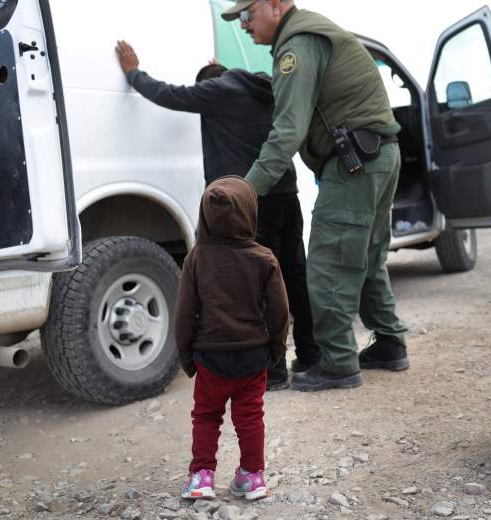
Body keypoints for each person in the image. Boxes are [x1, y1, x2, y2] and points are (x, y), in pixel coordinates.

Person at [221, 0, 409, 392]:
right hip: (378, 154)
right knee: (369, 256)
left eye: (246, 15)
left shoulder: (297, 44)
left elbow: (287, 130)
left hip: (354, 162)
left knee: (329, 264)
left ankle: (339, 364)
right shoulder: (312, 32)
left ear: (275, 5)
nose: (243, 25)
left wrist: (247, 190)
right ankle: (390, 344)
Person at [115, 40, 320, 390]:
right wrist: (220, 73)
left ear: (210, 83)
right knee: (294, 275)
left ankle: (273, 371)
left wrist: (133, 72)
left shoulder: (216, 92)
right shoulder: (260, 87)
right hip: (286, 192)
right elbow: (227, 82)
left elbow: (168, 94)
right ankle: (312, 355)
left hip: (251, 200)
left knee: (256, 283)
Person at [174, 176, 289, 501]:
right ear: (250, 212)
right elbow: (279, 311)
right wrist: (275, 350)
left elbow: (184, 313)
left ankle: (201, 478)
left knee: (206, 416)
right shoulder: (263, 258)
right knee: (250, 417)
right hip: (253, 355)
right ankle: (252, 477)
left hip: (210, 357)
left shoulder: (197, 259)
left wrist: (186, 356)